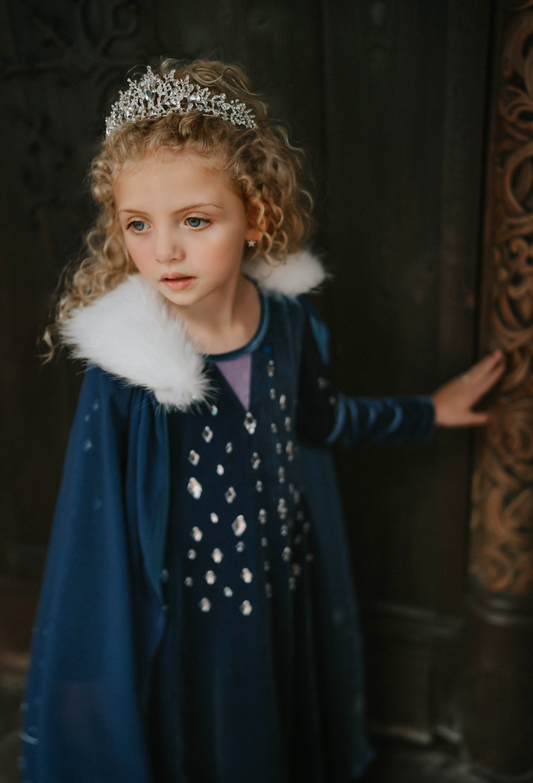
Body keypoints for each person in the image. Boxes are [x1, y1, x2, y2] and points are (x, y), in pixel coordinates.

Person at [20, 59, 505, 783]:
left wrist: (426, 411)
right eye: (138, 225)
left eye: (194, 219)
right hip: (193, 622)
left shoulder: (286, 324)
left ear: (257, 212)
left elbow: (322, 421)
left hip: (284, 584)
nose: (165, 250)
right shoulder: (128, 377)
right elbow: (95, 541)